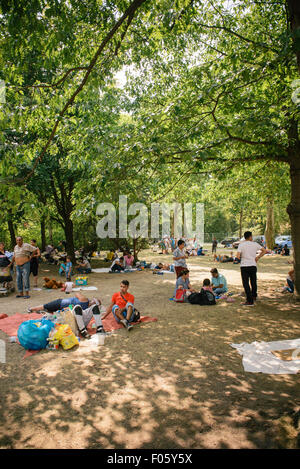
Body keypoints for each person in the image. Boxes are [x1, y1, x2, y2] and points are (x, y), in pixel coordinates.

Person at [236, 231, 267, 306]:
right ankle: (254, 296)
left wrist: (241, 258)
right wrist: (258, 257)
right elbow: (264, 251)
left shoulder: (241, 245)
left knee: (246, 283)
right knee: (253, 281)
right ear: (250, 236)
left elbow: (238, 256)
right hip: (253, 265)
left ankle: (249, 300)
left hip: (244, 266)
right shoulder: (255, 244)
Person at [28, 292, 98, 313]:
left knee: (45, 306)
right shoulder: (86, 310)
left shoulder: (85, 300)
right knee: (48, 309)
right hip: (64, 309)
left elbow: (77, 293)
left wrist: (77, 299)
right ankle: (35, 310)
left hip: (61, 304)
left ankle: (31, 309)